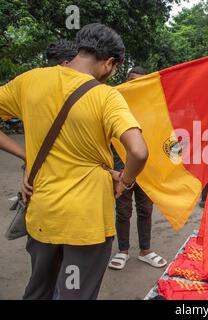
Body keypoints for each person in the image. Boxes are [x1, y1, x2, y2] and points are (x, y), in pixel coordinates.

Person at [0, 23, 149, 300]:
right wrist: (125, 181)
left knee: (38, 291)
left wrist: (27, 156)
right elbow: (139, 152)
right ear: (110, 63)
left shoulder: (30, 80)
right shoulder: (106, 96)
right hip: (87, 220)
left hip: (43, 211)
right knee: (73, 293)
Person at [108, 67, 166, 271]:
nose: (136, 86)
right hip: (121, 167)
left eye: (141, 83)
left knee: (146, 210)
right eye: (132, 81)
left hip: (146, 169)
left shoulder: (154, 109)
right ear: (126, 83)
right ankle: (122, 251)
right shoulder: (114, 105)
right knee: (123, 211)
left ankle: (145, 251)